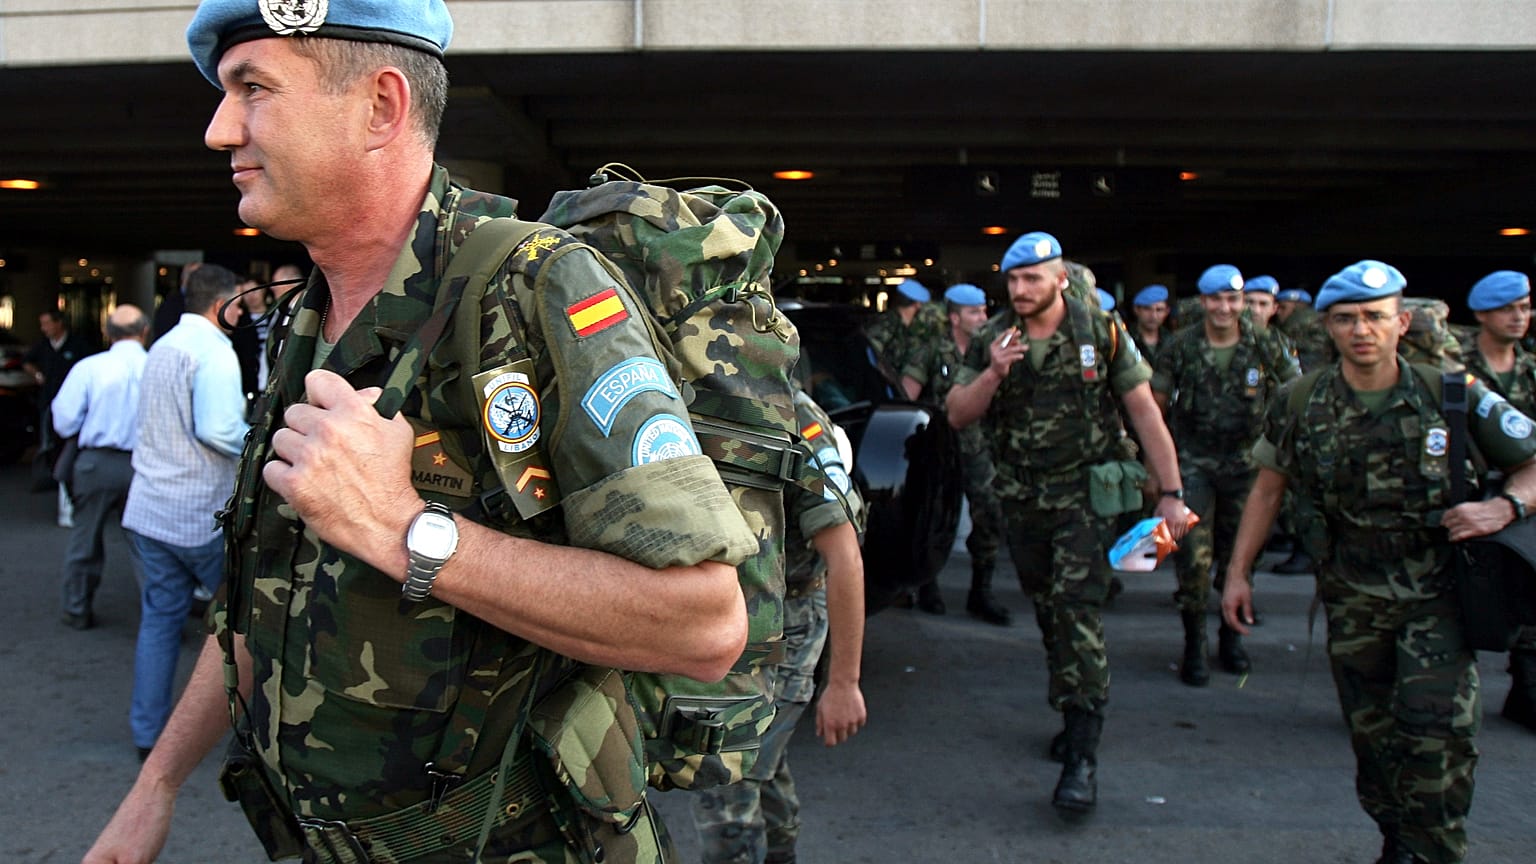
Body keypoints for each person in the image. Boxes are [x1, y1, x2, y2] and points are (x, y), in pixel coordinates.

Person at [85, 3, 755, 862]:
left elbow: (702, 625)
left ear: (382, 107)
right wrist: (157, 785)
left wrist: (406, 532)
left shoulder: (532, 287)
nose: (220, 130)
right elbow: (261, 601)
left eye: (253, 88)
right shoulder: (304, 320)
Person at [1222, 260, 1536, 864]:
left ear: (1402, 323)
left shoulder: (1451, 391)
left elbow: (1531, 463)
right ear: (1327, 327)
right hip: (1351, 594)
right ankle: (1399, 839)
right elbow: (1268, 488)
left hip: (1436, 594)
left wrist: (1505, 507)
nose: (1361, 329)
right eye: (1346, 319)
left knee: (1437, 739)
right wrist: (1238, 574)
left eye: (1375, 317)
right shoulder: (1302, 399)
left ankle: (1433, 849)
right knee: (1374, 744)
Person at [945, 231, 1191, 813]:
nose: (1022, 288)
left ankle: (1084, 753)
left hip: (1085, 497)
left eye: (1034, 278)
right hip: (1024, 499)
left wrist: (1172, 493)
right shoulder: (992, 336)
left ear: (1061, 279)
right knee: (1049, 609)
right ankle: (1070, 706)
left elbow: (1143, 411)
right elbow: (956, 414)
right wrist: (994, 372)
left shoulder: (1100, 331)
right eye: (1014, 279)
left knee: (1077, 608)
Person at [692, 387, 867, 864]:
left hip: (787, 623)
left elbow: (844, 555)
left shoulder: (796, 419)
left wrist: (844, 683)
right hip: (726, 619)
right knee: (761, 760)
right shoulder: (686, 388)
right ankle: (782, 852)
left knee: (725, 772)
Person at [120, 263, 249, 758]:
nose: (241, 310)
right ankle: (249, 738)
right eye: (237, 303)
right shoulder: (214, 352)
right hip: (199, 513)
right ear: (221, 305)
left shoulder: (164, 347)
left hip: (150, 509)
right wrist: (263, 446)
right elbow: (217, 429)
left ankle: (147, 734)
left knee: (159, 622)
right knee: (238, 626)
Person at [1151, 265, 1299, 686]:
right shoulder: (1179, 346)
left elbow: (1295, 395)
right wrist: (1157, 474)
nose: (1224, 307)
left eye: (1232, 299)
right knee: (1191, 561)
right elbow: (1155, 408)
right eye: (1216, 299)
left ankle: (1232, 636)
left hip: (1248, 467)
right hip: (1192, 465)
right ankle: (1193, 643)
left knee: (1241, 558)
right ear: (1203, 303)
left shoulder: (1268, 344)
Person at [1458, 269, 1536, 733]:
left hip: (1522, 493)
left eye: (1524, 308)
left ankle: (1526, 684)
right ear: (1483, 314)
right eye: (1508, 309)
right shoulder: (1455, 365)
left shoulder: (1531, 368)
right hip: (1467, 489)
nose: (1519, 317)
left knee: (1530, 586)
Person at [908, 283, 1010, 625]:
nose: (983, 317)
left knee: (989, 513)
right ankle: (928, 585)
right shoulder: (932, 351)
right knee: (933, 515)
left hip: (979, 446)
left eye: (984, 311)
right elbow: (908, 397)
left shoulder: (991, 352)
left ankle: (981, 591)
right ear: (955, 317)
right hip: (939, 446)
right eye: (974, 312)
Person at [50, 305, 150, 630]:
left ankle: (76, 608)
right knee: (148, 544)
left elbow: (64, 421)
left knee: (85, 539)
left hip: (96, 463)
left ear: (108, 333)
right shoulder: (156, 366)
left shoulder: (89, 367)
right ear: (144, 331)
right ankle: (159, 614)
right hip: (145, 464)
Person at [25, 307, 93, 524]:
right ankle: (57, 479)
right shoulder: (43, 345)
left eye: (47, 323)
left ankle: (71, 491)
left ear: (59, 323)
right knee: (52, 443)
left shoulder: (78, 344)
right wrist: (37, 374)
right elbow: (27, 360)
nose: (44, 329)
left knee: (72, 445)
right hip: (49, 401)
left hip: (75, 404)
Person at [863, 278, 930, 400]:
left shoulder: (905, 327)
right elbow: (869, 353)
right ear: (917, 304)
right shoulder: (888, 323)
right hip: (878, 390)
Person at [1129, 284, 1171, 365]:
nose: (1153, 316)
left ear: (1167, 312)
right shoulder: (1125, 339)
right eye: (1147, 309)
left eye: (1159, 310)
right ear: (1136, 310)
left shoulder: (1172, 340)